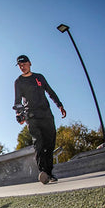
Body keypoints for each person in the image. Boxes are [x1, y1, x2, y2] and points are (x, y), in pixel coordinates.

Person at [14, 55, 67, 184]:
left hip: (46, 115)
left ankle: (49, 173)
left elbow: (50, 91)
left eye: (24, 64)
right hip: (31, 117)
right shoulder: (19, 82)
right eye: (20, 66)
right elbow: (17, 101)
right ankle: (43, 171)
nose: (22, 67)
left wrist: (59, 105)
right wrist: (19, 115)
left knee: (49, 143)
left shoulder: (39, 77)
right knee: (39, 143)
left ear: (30, 63)